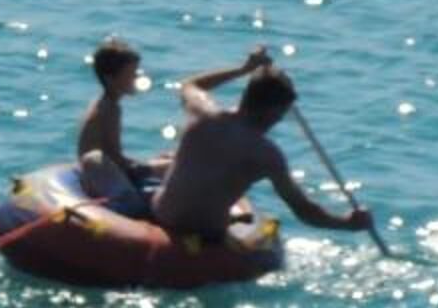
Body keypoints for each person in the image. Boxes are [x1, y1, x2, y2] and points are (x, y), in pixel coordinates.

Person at [151, 49, 376, 247]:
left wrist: (243, 69)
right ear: (274, 111)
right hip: (207, 234)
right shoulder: (267, 155)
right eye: (282, 113)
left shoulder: (203, 114)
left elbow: (190, 85)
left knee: (168, 162)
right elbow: (304, 210)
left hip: (162, 216)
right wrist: (348, 223)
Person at [75, 38, 166, 215]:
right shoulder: (109, 110)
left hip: (104, 171)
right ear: (110, 79)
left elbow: (113, 156)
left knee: (167, 160)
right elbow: (115, 159)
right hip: (102, 180)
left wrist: (149, 165)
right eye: (131, 74)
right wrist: (149, 167)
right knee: (172, 166)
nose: (136, 78)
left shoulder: (105, 104)